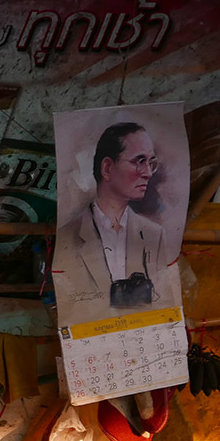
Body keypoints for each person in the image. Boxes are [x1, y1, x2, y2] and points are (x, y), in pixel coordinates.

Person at [51, 121, 167, 324]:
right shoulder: (68, 236)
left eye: (151, 163)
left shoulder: (154, 235)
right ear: (107, 168)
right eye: (139, 161)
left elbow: (162, 302)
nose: (148, 172)